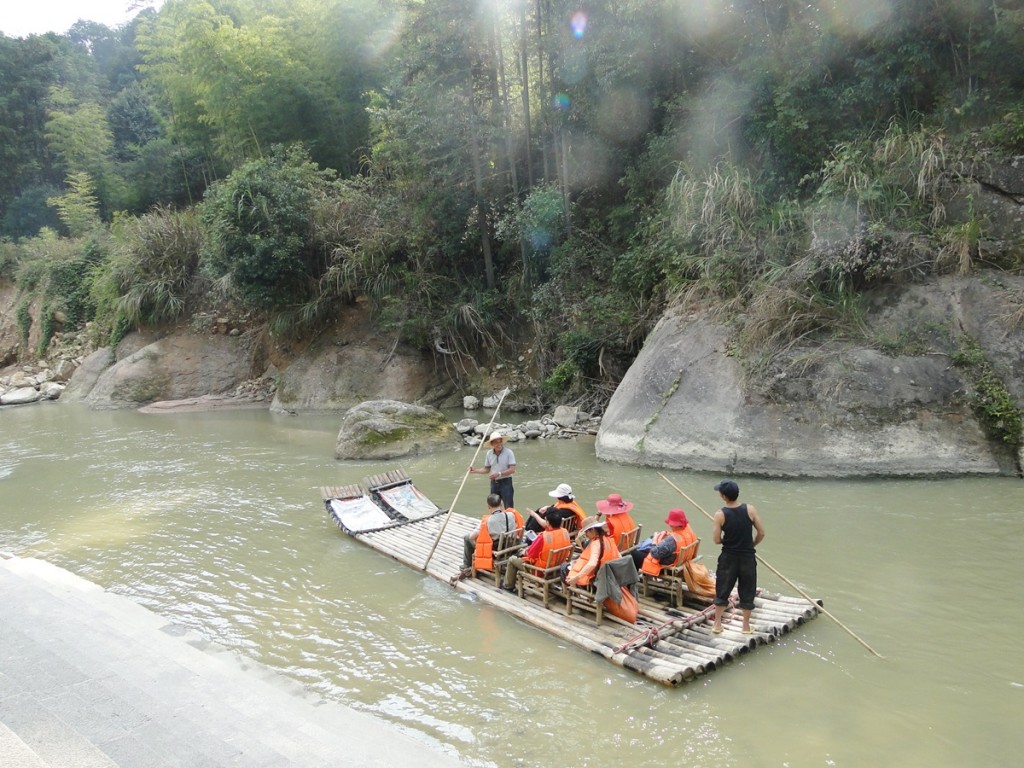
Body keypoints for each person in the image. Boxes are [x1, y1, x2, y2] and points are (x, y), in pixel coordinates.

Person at [709, 480, 765, 635]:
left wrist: (725, 540)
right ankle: (745, 627)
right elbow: (761, 533)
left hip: (728, 557)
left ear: (723, 496)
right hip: (747, 558)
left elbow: (716, 540)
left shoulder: (720, 514)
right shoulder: (750, 510)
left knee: (723, 589)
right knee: (747, 590)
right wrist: (751, 545)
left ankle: (717, 624)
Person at [501, 524, 572, 593]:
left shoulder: (543, 537)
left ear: (548, 522)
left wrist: (524, 551)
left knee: (512, 559)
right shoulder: (565, 532)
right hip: (558, 569)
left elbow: (530, 555)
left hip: (540, 571)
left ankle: (508, 586)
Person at [462, 493, 523, 572]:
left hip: (496, 551)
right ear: (501, 503)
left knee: (467, 538)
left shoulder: (488, 521)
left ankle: (466, 565)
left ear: (488, 506)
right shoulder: (511, 515)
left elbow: (471, 537)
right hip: (511, 547)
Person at [635, 507, 698, 573]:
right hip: (682, 562)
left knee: (634, 554)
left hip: (666, 567)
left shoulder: (671, 540)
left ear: (673, 524)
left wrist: (655, 540)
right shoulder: (688, 531)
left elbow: (654, 553)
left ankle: (632, 580)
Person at [565, 517, 621, 588]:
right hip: (609, 576)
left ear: (592, 530)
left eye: (586, 532)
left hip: (596, 580)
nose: (586, 535)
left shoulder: (596, 543)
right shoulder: (609, 539)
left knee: (564, 569)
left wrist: (576, 578)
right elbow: (619, 557)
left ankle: (573, 593)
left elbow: (592, 564)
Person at [468, 431, 516, 509]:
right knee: (493, 506)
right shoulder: (489, 454)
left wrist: (499, 474)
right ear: (492, 444)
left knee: (509, 507)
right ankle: (496, 520)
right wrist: (475, 470)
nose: (499, 444)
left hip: (506, 482)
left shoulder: (509, 452)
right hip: (494, 483)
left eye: (500, 442)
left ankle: (510, 520)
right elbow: (487, 469)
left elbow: (512, 469)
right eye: (496, 442)